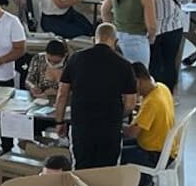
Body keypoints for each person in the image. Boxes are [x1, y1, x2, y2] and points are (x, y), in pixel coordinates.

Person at [55, 23, 138, 169]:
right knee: (107, 171)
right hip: (110, 129)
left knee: (81, 170)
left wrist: (59, 122)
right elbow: (130, 103)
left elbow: (62, 94)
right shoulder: (124, 65)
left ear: (94, 39)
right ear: (115, 41)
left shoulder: (75, 59)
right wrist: (118, 115)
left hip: (82, 126)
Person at [121, 62, 175, 186]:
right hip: (166, 148)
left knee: (115, 152)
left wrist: (115, 124)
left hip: (155, 154)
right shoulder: (161, 87)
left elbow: (132, 133)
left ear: (137, 82)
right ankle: (145, 181)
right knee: (121, 144)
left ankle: (143, 184)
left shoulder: (151, 103)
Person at [146, 0, 192, 92]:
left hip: (150, 27)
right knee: (169, 62)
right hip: (173, 27)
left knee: (153, 62)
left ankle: (153, 93)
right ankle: (167, 94)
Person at [102, 0, 155, 68]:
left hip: (117, 38)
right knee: (138, 74)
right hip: (137, 41)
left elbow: (104, 11)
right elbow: (151, 26)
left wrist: (113, 27)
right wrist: (151, 38)